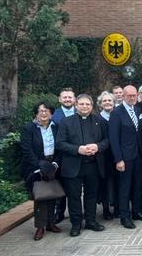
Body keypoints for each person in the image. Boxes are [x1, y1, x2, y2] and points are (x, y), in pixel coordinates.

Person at [56, 94, 109, 236]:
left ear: (92, 106)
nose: (85, 107)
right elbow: (60, 143)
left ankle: (91, 221)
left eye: (88, 104)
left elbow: (107, 140)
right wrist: (77, 149)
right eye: (82, 104)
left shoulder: (100, 121)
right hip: (73, 165)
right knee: (74, 196)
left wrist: (98, 147)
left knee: (91, 195)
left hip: (93, 165)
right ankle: (76, 224)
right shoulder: (66, 122)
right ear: (76, 105)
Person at [109, 85, 142, 229]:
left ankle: (137, 212)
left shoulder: (138, 110)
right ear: (123, 96)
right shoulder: (116, 113)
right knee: (125, 187)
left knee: (138, 185)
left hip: (138, 155)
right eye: (129, 95)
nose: (132, 98)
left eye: (134, 95)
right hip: (125, 157)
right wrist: (118, 159)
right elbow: (114, 138)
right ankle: (124, 216)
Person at [21, 101, 62, 241]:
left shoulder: (57, 127)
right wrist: (39, 166)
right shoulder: (28, 128)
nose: (44, 113)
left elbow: (60, 146)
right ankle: (40, 226)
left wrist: (55, 164)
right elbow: (27, 150)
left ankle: (51, 223)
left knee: (52, 193)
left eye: (47, 111)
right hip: (37, 165)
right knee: (41, 195)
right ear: (36, 113)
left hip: (53, 164)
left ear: (51, 113)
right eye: (41, 111)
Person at [51, 87, 75, 222]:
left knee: (75, 188)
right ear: (60, 99)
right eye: (65, 97)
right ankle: (59, 213)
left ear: (74, 99)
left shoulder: (81, 112)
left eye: (70, 97)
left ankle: (76, 213)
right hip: (60, 155)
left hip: (78, 155)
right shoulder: (54, 116)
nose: (67, 99)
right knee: (60, 185)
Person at [97, 91, 118, 219]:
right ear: (100, 104)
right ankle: (106, 209)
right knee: (104, 182)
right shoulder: (97, 119)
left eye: (110, 100)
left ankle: (117, 207)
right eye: (104, 101)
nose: (107, 103)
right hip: (103, 156)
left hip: (117, 155)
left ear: (114, 103)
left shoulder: (117, 116)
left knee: (117, 181)